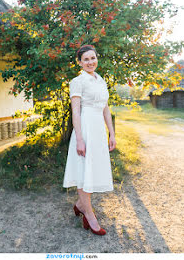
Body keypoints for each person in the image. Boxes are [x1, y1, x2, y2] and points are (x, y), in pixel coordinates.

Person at [63, 44, 116, 236]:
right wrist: (79, 139)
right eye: (85, 59)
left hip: (98, 132)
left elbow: (105, 108)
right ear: (79, 62)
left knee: (91, 169)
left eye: (92, 58)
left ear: (97, 59)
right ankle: (89, 214)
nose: (90, 62)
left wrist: (111, 133)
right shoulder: (77, 82)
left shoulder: (101, 81)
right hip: (85, 129)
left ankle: (79, 205)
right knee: (83, 168)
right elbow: (75, 111)